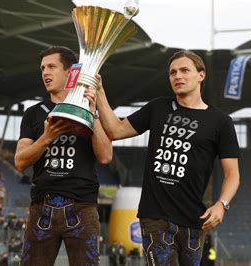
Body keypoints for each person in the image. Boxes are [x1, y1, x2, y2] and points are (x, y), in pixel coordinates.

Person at [92, 50, 240, 266]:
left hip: (193, 220)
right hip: (155, 217)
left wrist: (222, 204)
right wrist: (100, 92)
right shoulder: (158, 107)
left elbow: (232, 174)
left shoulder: (220, 121)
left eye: (184, 70)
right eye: (172, 72)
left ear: (201, 75)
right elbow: (116, 130)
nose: (177, 76)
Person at [14, 46, 112, 265]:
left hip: (82, 206)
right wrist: (46, 138)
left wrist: (94, 113)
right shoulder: (34, 113)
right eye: (42, 68)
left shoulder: (91, 108)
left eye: (52, 67)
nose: (45, 73)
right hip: (42, 206)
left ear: (70, 72)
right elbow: (20, 161)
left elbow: (105, 156)